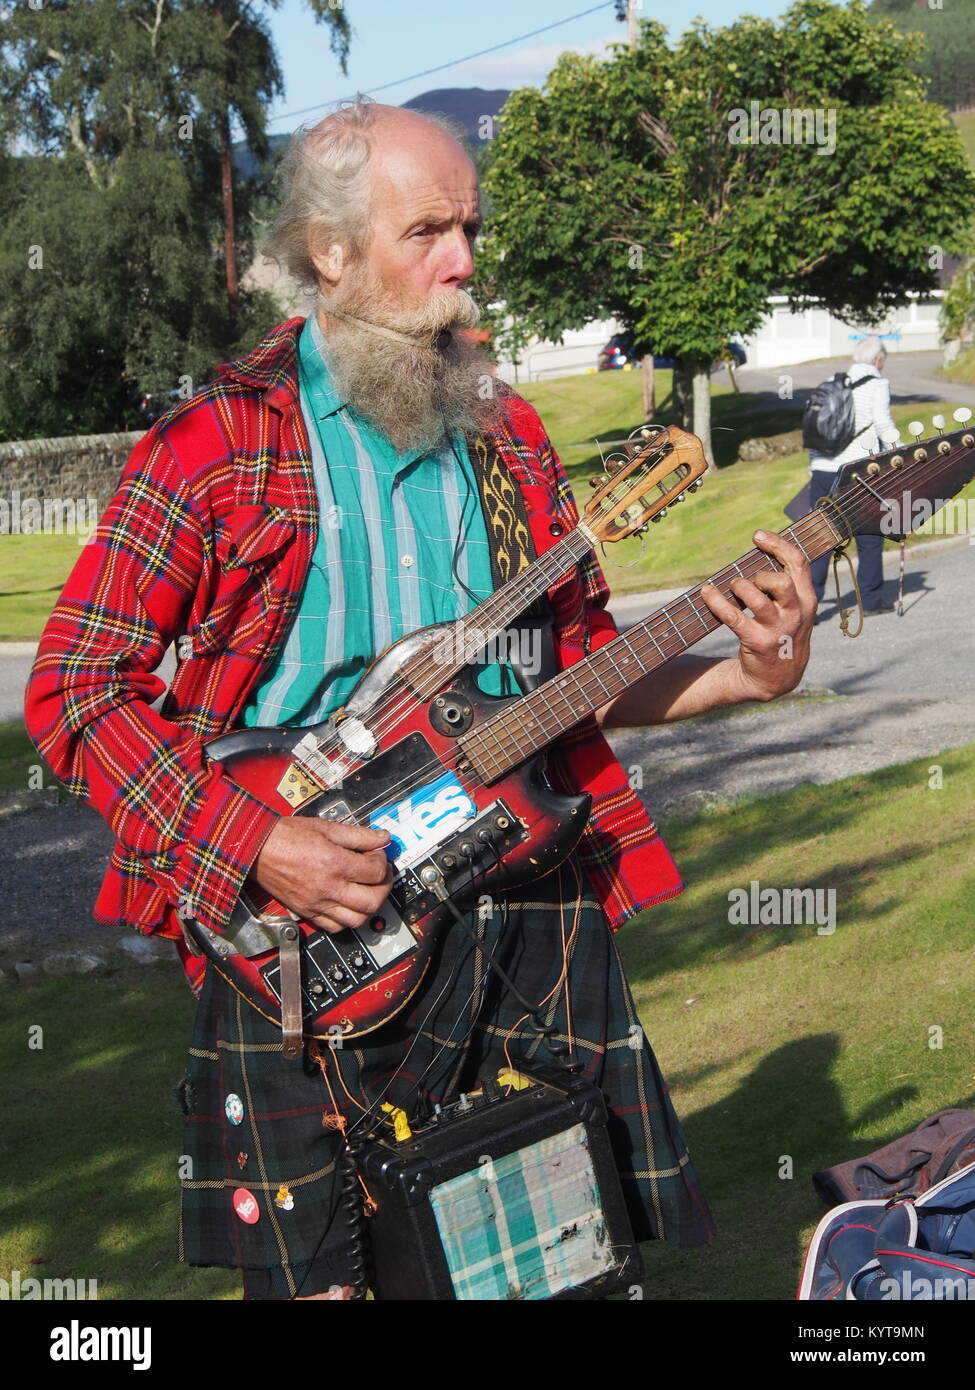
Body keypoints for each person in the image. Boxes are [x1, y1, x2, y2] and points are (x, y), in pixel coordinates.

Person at [23, 99, 816, 1301]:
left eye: (470, 228)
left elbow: (582, 666)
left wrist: (747, 671)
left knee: (557, 1274)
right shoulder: (217, 444)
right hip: (306, 935)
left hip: (529, 920)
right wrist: (255, 840)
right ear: (330, 252)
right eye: (429, 232)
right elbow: (77, 688)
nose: (464, 263)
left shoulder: (511, 438)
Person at [808, 336, 901, 617]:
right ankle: (870, 601)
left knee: (821, 538)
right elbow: (883, 424)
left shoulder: (830, 381)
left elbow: (816, 428)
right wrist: (898, 455)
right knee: (870, 534)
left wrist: (814, 468)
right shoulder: (877, 383)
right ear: (878, 359)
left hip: (822, 470)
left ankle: (807, 608)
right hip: (856, 472)